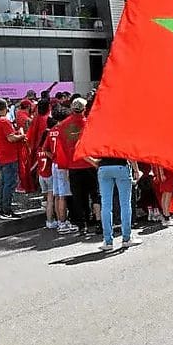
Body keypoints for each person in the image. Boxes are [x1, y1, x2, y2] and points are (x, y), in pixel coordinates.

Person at [58, 98, 98, 235]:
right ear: (84, 109)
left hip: (73, 165)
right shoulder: (89, 124)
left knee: (78, 197)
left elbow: (62, 147)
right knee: (95, 194)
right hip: (90, 163)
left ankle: (82, 225)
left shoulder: (62, 125)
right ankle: (98, 222)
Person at [92, 155, 142, 251]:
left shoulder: (101, 139)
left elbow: (81, 147)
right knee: (125, 204)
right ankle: (126, 238)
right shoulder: (121, 138)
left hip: (103, 168)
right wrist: (136, 170)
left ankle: (108, 241)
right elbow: (130, 153)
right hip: (121, 166)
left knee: (106, 205)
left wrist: (93, 162)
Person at [0, 99, 24, 218]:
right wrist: (21, 135)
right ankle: (6, 209)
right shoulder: (4, 121)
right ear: (6, 108)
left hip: (1, 155)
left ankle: (2, 207)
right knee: (9, 184)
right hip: (9, 156)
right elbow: (11, 138)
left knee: (4, 183)